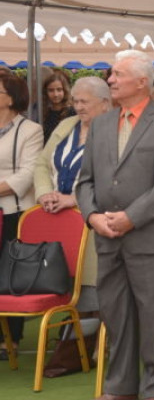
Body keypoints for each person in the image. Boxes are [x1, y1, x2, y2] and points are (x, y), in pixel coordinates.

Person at [76, 50, 154, 400]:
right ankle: (120, 388)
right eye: (111, 74)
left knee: (152, 312)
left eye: (118, 74)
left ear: (142, 81)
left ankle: (153, 389)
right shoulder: (103, 124)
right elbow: (85, 182)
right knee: (115, 312)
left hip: (150, 236)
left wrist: (131, 217)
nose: (110, 80)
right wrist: (92, 216)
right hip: (106, 236)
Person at [34, 77, 112, 375]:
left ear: (105, 103)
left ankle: (76, 353)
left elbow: (110, 178)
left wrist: (74, 199)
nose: (78, 106)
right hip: (56, 219)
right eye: (76, 101)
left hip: (92, 218)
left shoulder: (115, 131)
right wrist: (45, 194)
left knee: (91, 288)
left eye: (84, 102)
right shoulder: (66, 126)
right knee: (62, 282)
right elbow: (42, 164)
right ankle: (73, 345)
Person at [0, 71, 44, 359]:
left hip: (14, 211)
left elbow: (28, 174)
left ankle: (10, 339)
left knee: (10, 275)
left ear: (11, 97)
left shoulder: (30, 130)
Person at [40, 70, 74, 142]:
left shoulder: (72, 112)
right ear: (46, 92)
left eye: (59, 90)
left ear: (64, 91)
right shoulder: (43, 112)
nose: (55, 94)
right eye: (51, 90)